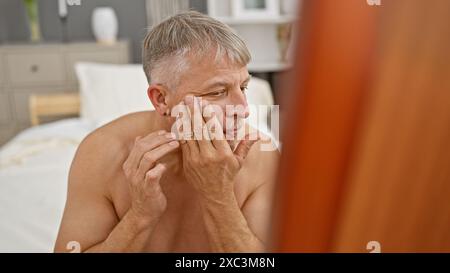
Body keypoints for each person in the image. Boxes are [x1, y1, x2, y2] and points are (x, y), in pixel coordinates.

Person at [54, 11, 279, 253]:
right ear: (161, 99)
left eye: (243, 87)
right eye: (217, 92)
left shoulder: (261, 155)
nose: (244, 110)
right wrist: (139, 217)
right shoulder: (101, 152)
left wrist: (219, 196)